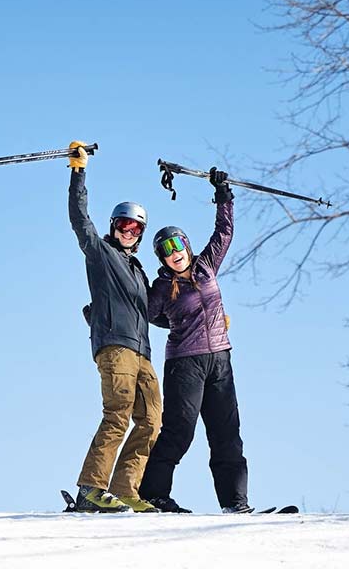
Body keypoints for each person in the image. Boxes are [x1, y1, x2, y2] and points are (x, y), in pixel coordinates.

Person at [138, 167, 253, 513]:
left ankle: (236, 504)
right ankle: (153, 495)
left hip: (220, 359)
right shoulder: (160, 288)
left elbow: (224, 231)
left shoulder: (206, 266)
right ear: (161, 258)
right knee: (180, 432)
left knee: (226, 434)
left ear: (186, 245)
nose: (174, 252)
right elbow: (145, 313)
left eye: (177, 244)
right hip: (184, 364)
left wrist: (223, 194)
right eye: (165, 250)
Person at [66, 140, 162, 513]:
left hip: (142, 352)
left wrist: (205, 318)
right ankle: (91, 487)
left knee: (151, 421)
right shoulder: (101, 254)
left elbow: (157, 313)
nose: (128, 231)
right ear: (113, 226)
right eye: (123, 224)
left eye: (135, 228)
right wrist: (78, 172)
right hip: (116, 348)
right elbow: (79, 220)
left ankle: (124, 490)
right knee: (117, 414)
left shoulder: (139, 271)